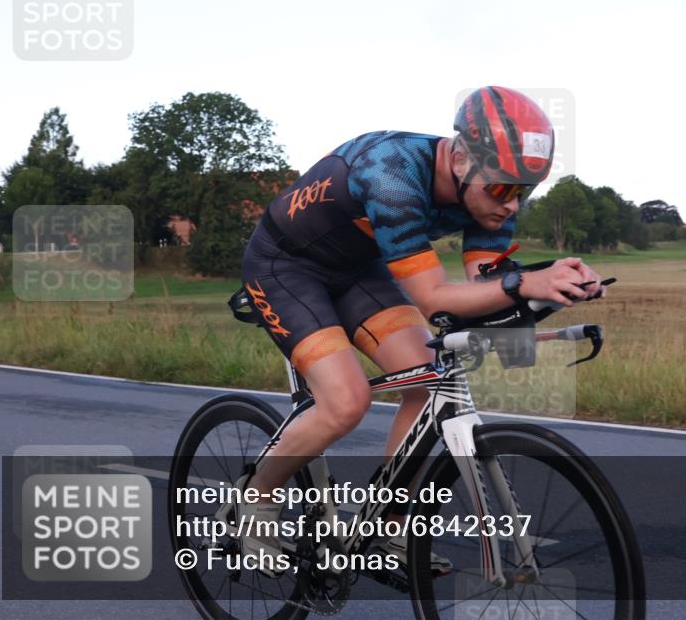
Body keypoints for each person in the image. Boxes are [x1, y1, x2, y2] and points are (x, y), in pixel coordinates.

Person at [239, 86, 604, 576]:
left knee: (429, 381)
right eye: (504, 189)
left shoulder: (489, 196)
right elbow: (434, 299)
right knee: (345, 402)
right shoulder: (392, 173)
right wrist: (525, 283)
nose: (513, 206)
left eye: (525, 190)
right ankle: (254, 502)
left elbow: (486, 291)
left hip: (358, 271)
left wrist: (551, 289)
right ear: (460, 159)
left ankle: (386, 528)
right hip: (285, 268)